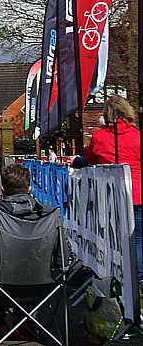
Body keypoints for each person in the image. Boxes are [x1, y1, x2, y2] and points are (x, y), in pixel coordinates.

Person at [0, 164, 60, 331]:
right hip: (41, 288)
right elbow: (62, 258)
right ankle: (27, 322)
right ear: (30, 188)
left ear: (2, 188)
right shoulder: (51, 216)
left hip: (1, 288)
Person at [70, 95, 141, 282]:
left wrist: (76, 162)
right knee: (138, 240)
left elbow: (90, 158)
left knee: (111, 241)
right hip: (137, 194)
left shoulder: (100, 137)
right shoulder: (137, 136)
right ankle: (139, 281)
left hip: (110, 196)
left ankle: (113, 277)